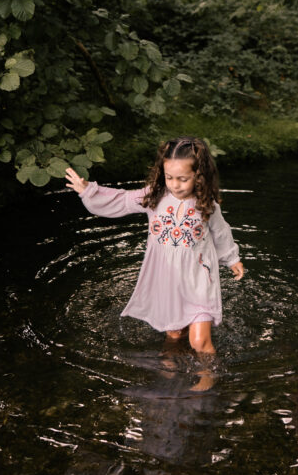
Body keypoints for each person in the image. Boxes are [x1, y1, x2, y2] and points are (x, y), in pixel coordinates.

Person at [65, 137, 244, 356]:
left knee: (199, 342)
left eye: (182, 178)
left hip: (198, 280)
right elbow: (121, 200)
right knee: (174, 334)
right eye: (169, 177)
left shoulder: (206, 202)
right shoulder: (154, 197)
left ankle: (207, 380)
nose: (175, 184)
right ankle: (170, 370)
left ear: (199, 175)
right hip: (167, 281)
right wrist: (88, 191)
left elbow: (221, 231)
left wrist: (232, 258)